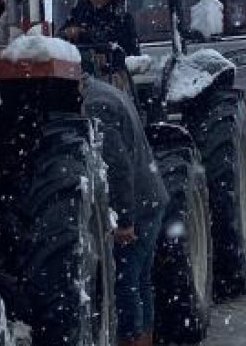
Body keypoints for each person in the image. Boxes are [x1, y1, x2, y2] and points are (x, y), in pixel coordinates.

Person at [81, 76, 168, 346]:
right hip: (150, 195)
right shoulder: (106, 92)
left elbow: (118, 165)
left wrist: (125, 220)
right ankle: (143, 336)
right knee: (139, 280)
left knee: (125, 282)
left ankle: (132, 338)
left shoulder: (96, 105)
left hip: (138, 203)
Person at [61, 0, 141, 56]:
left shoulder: (123, 19)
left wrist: (87, 34)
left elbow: (133, 56)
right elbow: (59, 42)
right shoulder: (77, 15)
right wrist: (67, 33)